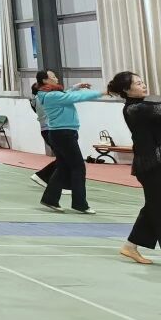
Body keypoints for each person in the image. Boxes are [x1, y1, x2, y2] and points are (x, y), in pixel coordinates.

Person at [108, 71, 161, 265]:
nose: (143, 85)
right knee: (158, 207)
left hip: (155, 163)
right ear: (126, 90)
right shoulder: (135, 109)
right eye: (138, 83)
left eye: (142, 81)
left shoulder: (142, 107)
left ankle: (130, 246)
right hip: (150, 165)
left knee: (154, 205)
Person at [33, 68, 103, 214]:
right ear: (45, 80)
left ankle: (50, 199)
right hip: (63, 134)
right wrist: (102, 92)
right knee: (78, 167)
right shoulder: (52, 95)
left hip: (61, 133)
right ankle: (80, 203)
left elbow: (66, 95)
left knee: (63, 167)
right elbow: (74, 97)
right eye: (53, 76)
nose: (56, 78)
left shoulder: (49, 94)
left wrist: (75, 87)